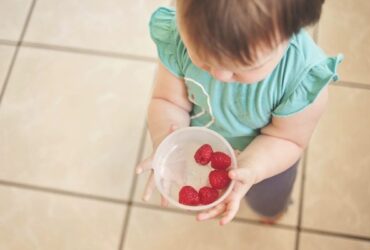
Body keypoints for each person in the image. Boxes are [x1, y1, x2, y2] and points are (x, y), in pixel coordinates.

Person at [136, 0, 343, 225]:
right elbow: (168, 100)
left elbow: (288, 139)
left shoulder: (301, 78)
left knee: (268, 199)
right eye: (204, 59)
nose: (220, 75)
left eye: (246, 67)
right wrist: (166, 141)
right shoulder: (180, 34)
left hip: (266, 160)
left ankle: (271, 212)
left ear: (289, 34)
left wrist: (252, 168)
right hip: (201, 140)